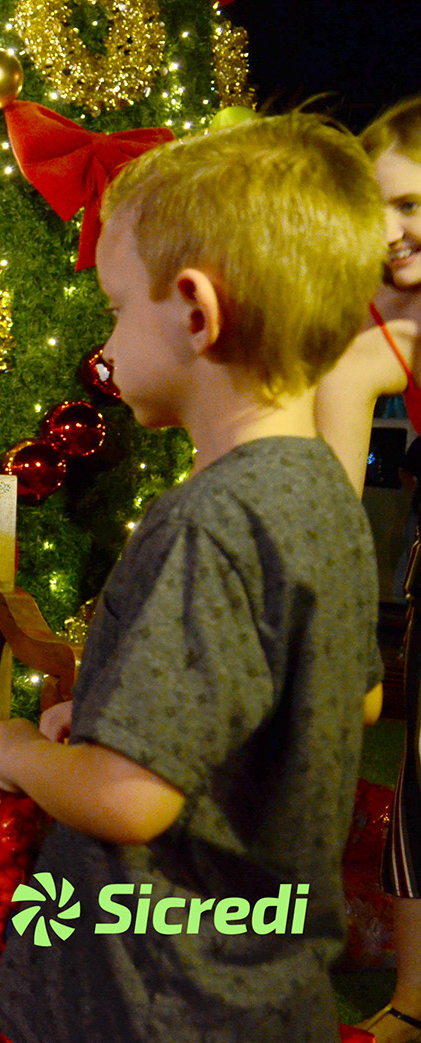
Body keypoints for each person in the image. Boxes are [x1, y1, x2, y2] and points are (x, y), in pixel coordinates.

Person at [0, 113, 388, 1043]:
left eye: (117, 307)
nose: (108, 345)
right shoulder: (322, 492)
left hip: (152, 989)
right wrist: (122, 711)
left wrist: (16, 751)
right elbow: (350, 697)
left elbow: (127, 797)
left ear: (195, 312)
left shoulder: (211, 521)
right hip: (264, 976)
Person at [313, 95, 421, 1043]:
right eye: (376, 207)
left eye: (412, 204)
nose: (392, 231)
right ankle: (412, 1001)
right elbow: (331, 508)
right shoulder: (370, 334)